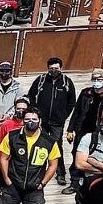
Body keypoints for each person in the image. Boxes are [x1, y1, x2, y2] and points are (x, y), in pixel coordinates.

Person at [64, 69, 103, 193]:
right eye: (94, 79)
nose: (96, 82)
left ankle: (94, 181)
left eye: (99, 79)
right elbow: (77, 111)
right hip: (82, 130)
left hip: (99, 132)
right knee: (76, 155)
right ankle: (75, 183)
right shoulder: (85, 93)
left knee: (96, 156)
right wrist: (70, 129)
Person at [27, 57, 76, 187]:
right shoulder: (41, 80)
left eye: (56, 68)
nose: (54, 71)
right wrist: (35, 112)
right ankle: (38, 171)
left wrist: (64, 115)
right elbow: (31, 95)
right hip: (41, 120)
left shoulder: (66, 82)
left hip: (57, 122)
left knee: (56, 146)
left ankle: (60, 174)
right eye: (51, 69)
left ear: (61, 68)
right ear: (47, 68)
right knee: (39, 144)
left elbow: (72, 101)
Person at [0, 96, 30, 170]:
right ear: (14, 109)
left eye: (24, 109)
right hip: (7, 160)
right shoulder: (6, 124)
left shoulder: (30, 125)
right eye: (18, 109)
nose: (21, 111)